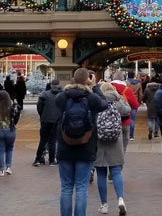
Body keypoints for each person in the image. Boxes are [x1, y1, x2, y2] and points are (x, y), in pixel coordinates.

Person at [56, 68, 108, 216]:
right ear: (88, 80)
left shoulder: (62, 97)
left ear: (73, 79)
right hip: (86, 146)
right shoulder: (91, 98)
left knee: (66, 187)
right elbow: (104, 103)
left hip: (65, 147)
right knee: (81, 188)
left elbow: (56, 107)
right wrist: (95, 86)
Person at [94, 82, 129, 215]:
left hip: (100, 141)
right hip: (115, 141)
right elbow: (128, 109)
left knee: (101, 174)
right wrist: (119, 96)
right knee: (116, 172)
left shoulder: (97, 103)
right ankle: (120, 199)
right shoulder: (118, 102)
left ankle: (104, 205)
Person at [0, 90, 21, 176]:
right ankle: (8, 167)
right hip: (10, 130)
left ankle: (1, 170)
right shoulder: (12, 107)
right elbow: (16, 117)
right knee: (9, 149)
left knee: (0, 150)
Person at [34, 78, 63, 166]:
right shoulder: (62, 95)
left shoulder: (44, 94)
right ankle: (51, 160)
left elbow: (39, 107)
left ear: (51, 85)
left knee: (43, 140)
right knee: (53, 141)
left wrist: (42, 115)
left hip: (45, 120)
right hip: (57, 120)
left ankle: (38, 159)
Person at [112, 71, 139, 151]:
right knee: (123, 144)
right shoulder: (126, 90)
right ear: (123, 79)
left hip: (109, 121)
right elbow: (135, 105)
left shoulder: (105, 88)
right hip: (124, 121)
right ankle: (119, 162)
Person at [142, 75, 162, 139]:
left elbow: (144, 97)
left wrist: (145, 102)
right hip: (158, 105)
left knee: (150, 119)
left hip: (150, 105)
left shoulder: (147, 89)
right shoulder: (160, 89)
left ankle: (150, 129)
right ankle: (156, 134)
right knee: (157, 121)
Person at [126, 71, 142, 141]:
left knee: (125, 118)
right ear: (134, 76)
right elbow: (140, 95)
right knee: (132, 119)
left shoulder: (126, 83)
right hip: (134, 101)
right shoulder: (138, 83)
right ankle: (131, 136)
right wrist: (139, 102)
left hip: (126, 101)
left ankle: (125, 134)